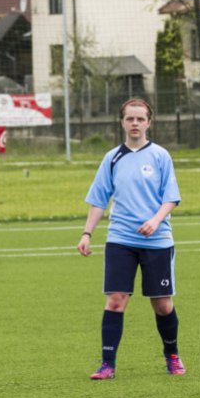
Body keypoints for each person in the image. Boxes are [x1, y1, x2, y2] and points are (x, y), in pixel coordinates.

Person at [77, 98, 184, 380]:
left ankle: (172, 354)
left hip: (157, 240)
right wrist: (87, 233)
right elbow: (99, 199)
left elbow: (171, 197)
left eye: (140, 119)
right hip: (121, 240)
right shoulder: (112, 158)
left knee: (162, 304)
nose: (135, 124)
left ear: (149, 122)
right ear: (122, 122)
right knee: (115, 300)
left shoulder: (161, 156)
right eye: (130, 119)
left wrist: (154, 220)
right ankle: (107, 364)